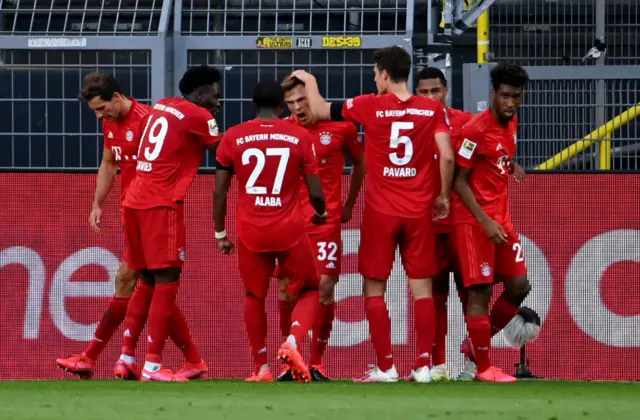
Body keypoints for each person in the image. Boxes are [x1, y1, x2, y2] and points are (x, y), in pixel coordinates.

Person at [290, 45, 455, 383]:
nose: (374, 79)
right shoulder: (432, 108)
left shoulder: (369, 105)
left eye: (374, 74)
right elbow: (448, 156)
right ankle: (424, 365)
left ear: (382, 73)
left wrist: (309, 81)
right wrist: (442, 196)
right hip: (418, 210)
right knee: (422, 288)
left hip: (381, 211)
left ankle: (386, 367)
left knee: (375, 288)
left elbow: (320, 109)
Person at [56, 73, 202, 381]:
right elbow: (109, 162)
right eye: (95, 111)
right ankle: (188, 360)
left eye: (102, 108)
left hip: (154, 213)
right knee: (151, 286)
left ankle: (100, 356)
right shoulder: (110, 124)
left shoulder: (150, 120)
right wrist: (98, 204)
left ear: (118, 97)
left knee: (131, 280)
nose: (99, 116)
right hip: (132, 214)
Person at [214, 80, 327, 383]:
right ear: (282, 106)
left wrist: (220, 234)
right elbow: (315, 191)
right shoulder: (300, 136)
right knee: (311, 289)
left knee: (254, 296)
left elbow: (220, 192)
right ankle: (291, 341)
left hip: (251, 231)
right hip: (288, 230)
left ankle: (261, 367)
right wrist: (321, 212)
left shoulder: (233, 137)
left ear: (253, 106)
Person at [116, 65, 222, 382]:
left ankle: (127, 358)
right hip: (161, 203)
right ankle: (152, 364)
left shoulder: (163, 104)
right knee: (167, 279)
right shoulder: (199, 116)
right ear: (200, 93)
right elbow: (224, 152)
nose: (217, 102)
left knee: (147, 280)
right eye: (214, 96)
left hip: (134, 198)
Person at [274, 76, 365, 382]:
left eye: (302, 100)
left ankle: (316, 362)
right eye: (291, 103)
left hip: (325, 221)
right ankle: (290, 364)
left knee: (325, 288)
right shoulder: (284, 128)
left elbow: (360, 164)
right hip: (290, 225)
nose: (298, 108)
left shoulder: (343, 126)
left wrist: (350, 203)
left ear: (313, 96)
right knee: (288, 291)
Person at [452, 63, 532, 383]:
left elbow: (498, 154)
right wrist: (484, 221)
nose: (511, 103)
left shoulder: (511, 124)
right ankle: (484, 368)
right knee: (480, 293)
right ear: (493, 94)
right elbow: (459, 181)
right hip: (475, 222)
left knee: (519, 286)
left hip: (502, 219)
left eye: (516, 97)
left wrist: (511, 165)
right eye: (505, 96)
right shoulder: (474, 130)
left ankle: (475, 346)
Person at [414, 67, 473, 381]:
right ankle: (437, 364)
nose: (429, 97)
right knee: (434, 293)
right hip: (426, 222)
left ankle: (476, 362)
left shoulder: (465, 122)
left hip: (461, 222)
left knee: (470, 293)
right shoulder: (408, 126)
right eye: (422, 92)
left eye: (434, 91)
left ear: (446, 91)